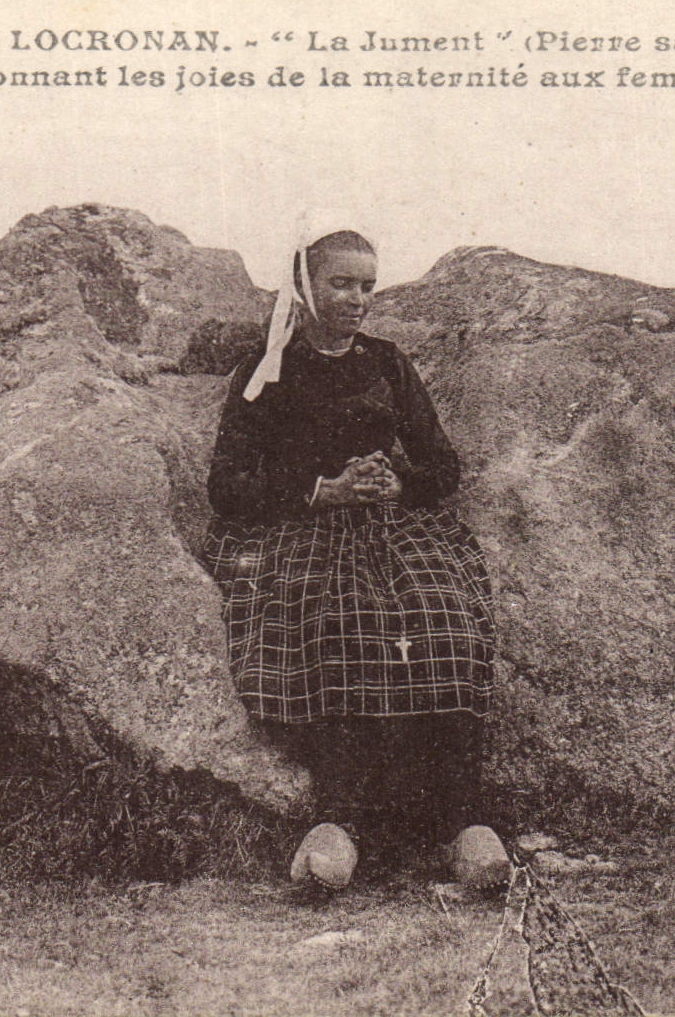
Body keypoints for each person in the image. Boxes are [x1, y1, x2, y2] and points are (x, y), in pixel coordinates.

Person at [200, 223, 508, 891]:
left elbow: (442, 464)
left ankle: (462, 825)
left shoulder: (387, 362)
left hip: (393, 531)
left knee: (443, 618)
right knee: (338, 624)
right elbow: (227, 486)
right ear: (305, 288)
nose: (357, 298)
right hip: (301, 531)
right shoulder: (267, 368)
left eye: (367, 285)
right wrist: (320, 490)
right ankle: (336, 827)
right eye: (342, 283)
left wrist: (401, 483)